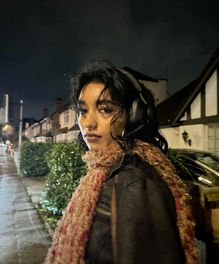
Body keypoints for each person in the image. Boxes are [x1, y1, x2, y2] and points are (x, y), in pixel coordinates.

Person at [45, 61, 198, 264]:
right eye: (83, 111)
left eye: (105, 110)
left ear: (133, 116)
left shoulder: (134, 183)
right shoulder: (104, 171)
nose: (88, 123)